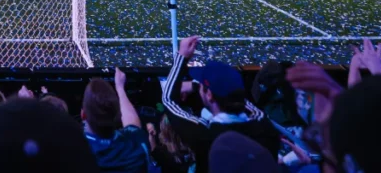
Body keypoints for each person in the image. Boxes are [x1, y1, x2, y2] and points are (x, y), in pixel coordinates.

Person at [162, 36, 280, 171]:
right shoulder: (263, 125)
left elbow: (168, 99)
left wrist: (181, 57)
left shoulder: (204, 134)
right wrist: (199, 86)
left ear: (209, 95)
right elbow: (241, 99)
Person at [82, 68, 150, 172]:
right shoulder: (138, 146)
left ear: (83, 115)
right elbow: (133, 125)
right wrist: (120, 87)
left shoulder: (72, 151)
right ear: (118, 114)